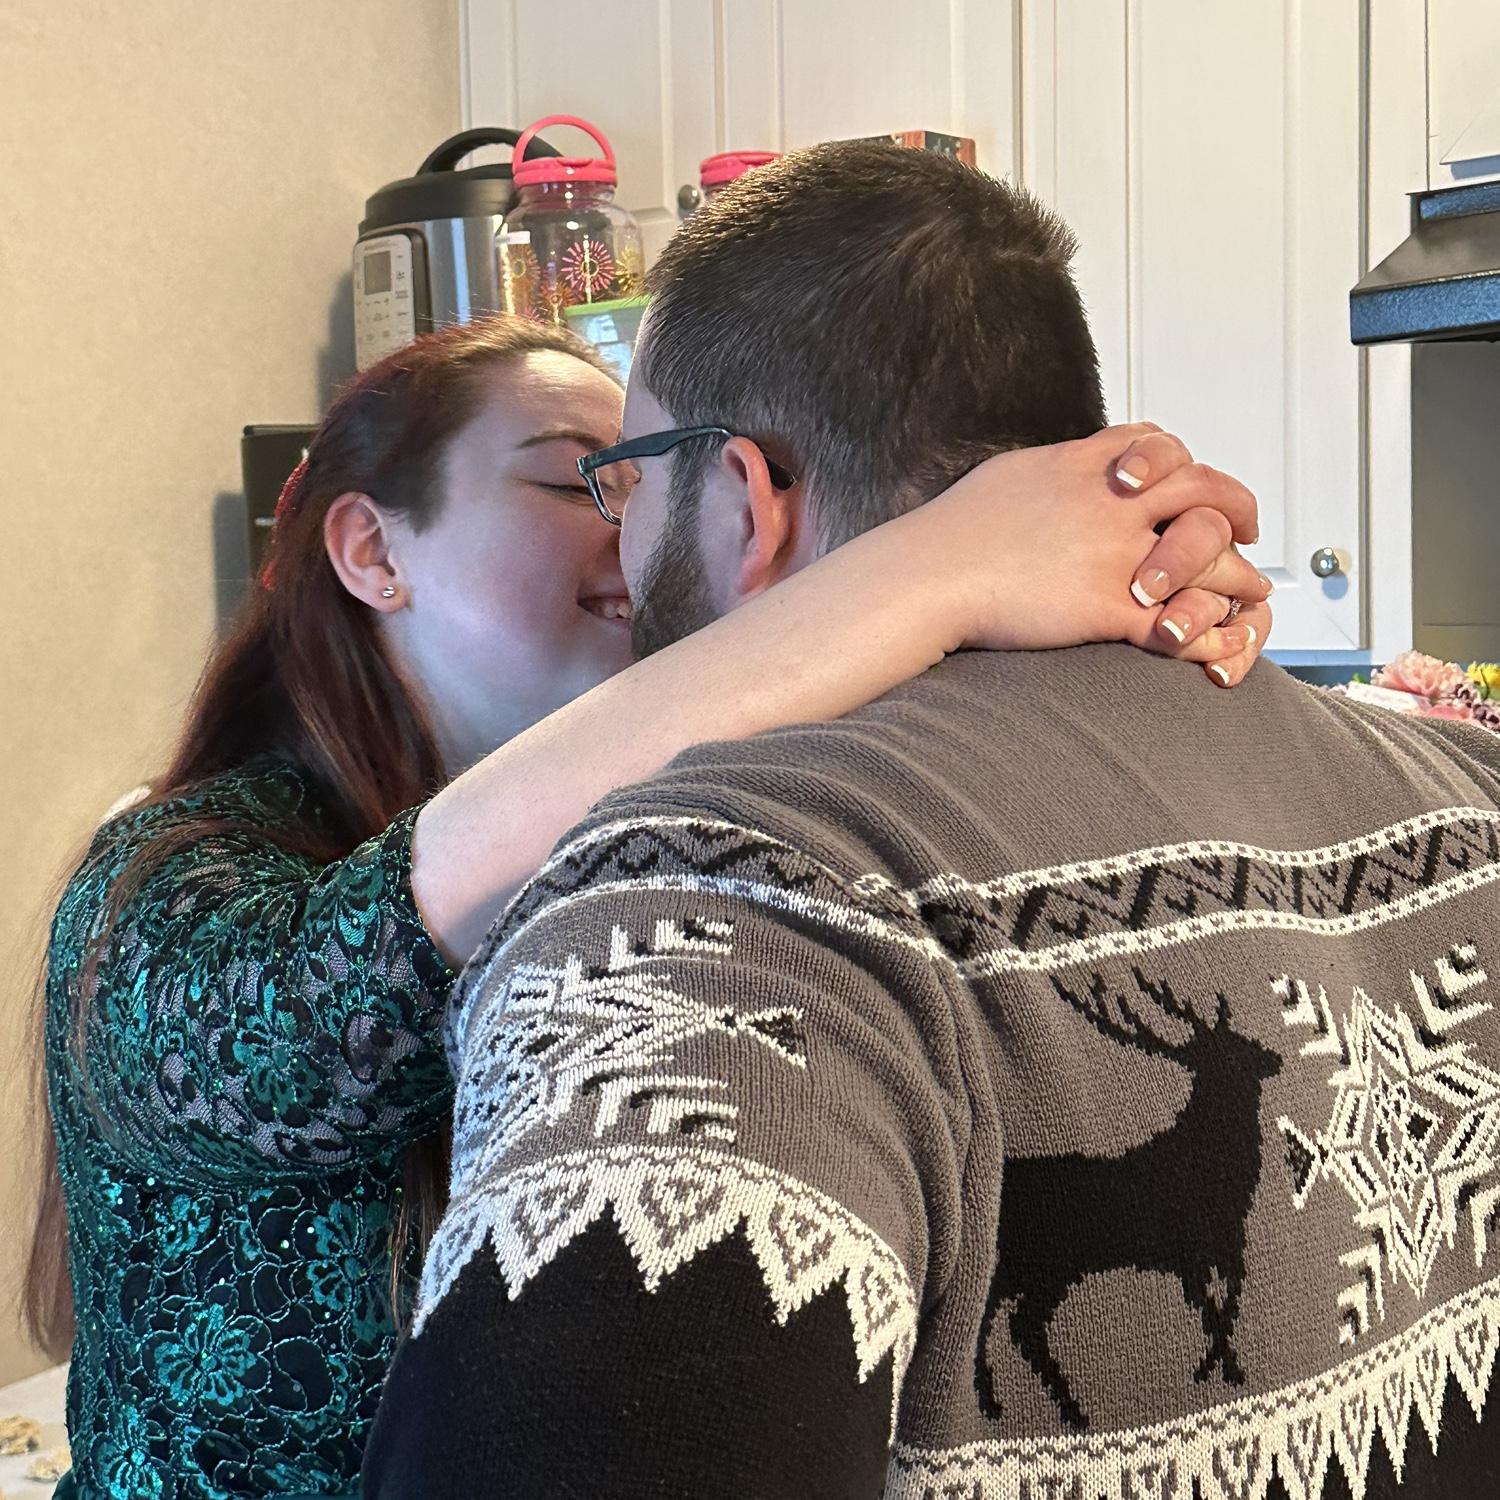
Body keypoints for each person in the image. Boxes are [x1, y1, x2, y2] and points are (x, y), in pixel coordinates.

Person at [362, 145, 1500, 1500]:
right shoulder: (1464, 794)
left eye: (629, 478)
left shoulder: (707, 913)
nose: (617, 542)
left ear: (745, 494)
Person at [27, 309, 1268, 1500]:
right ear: (371, 551)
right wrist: (956, 560)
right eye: (580, 484)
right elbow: (322, 1008)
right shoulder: (158, 887)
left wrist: (1132, 589)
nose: (631, 540)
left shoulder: (645, 849)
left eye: (635, 488)